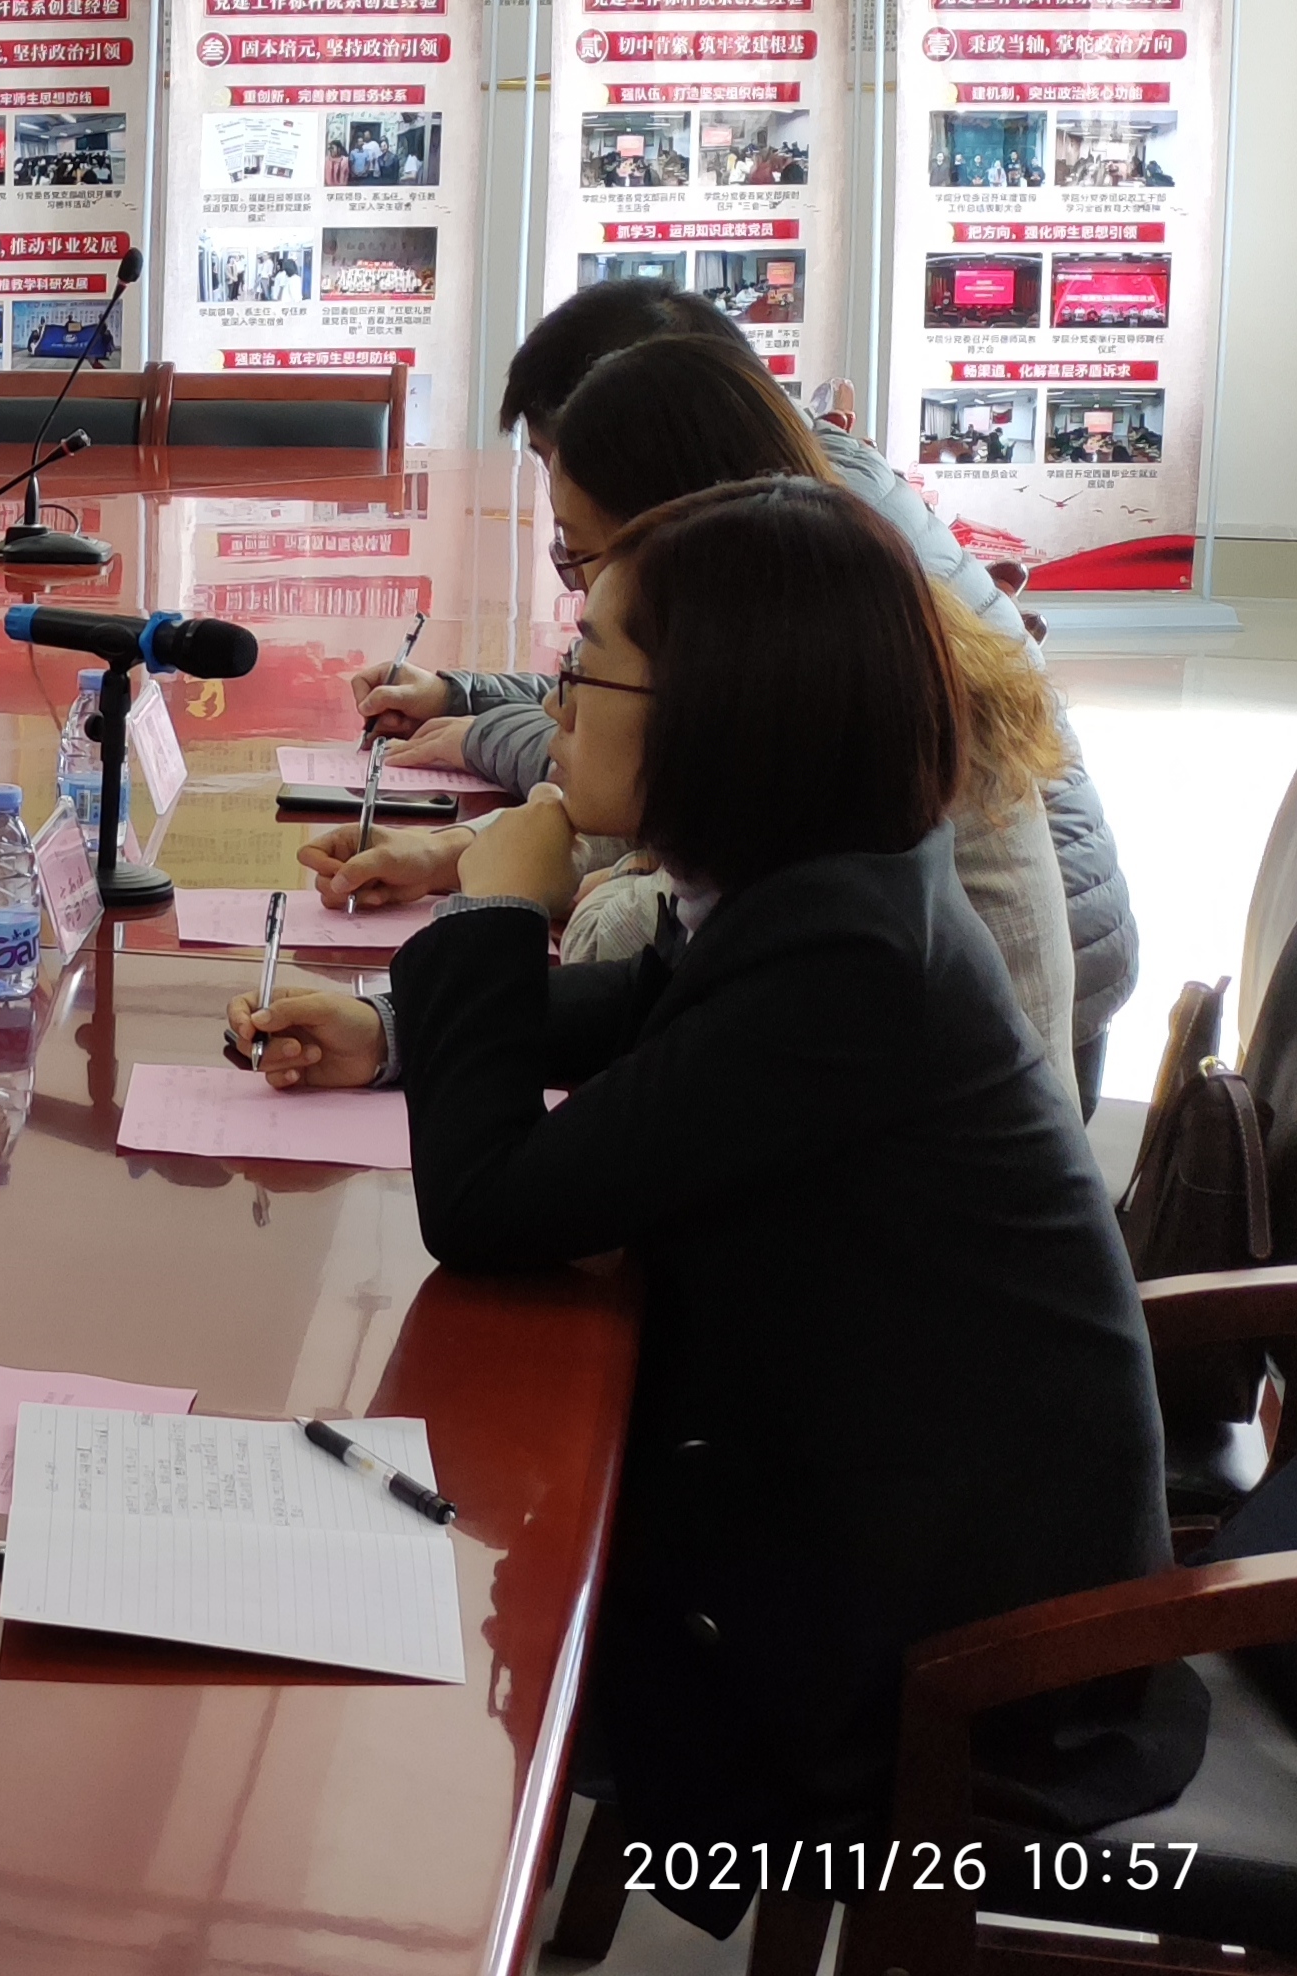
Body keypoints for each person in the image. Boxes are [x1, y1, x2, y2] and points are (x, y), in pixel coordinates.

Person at [235, 479, 1203, 1935]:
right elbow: (652, 1009)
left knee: (449, 1577)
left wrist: (491, 912)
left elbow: (490, 1205)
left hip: (975, 1676)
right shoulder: (830, 890)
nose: (555, 704)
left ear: (721, 713)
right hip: (898, 1520)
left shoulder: (845, 962)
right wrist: (394, 1034)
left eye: (587, 668)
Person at [349, 279, 1136, 1094]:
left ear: (667, 503)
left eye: (582, 549)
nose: (582, 583)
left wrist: (506, 905)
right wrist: (464, 865)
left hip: (987, 1050)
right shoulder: (812, 564)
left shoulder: (821, 643)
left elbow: (629, 949)